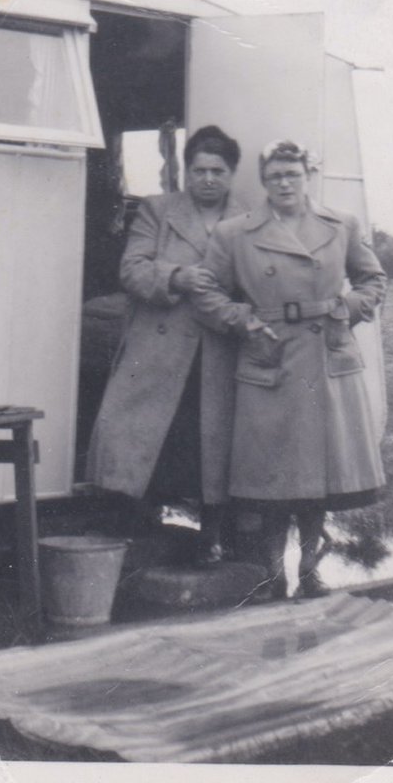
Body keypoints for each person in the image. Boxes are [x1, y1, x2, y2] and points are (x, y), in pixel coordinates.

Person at [192, 138, 387, 599]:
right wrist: (245, 322)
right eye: (275, 175)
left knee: (320, 479)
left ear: (307, 178)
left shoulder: (340, 225)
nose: (284, 183)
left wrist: (348, 309)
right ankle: (272, 573)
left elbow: (373, 278)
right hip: (270, 357)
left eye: (292, 174)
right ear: (263, 181)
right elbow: (206, 293)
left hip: (326, 357)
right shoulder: (234, 233)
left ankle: (312, 571)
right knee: (275, 478)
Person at [86, 125, 244, 563]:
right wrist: (177, 276)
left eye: (217, 170)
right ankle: (139, 530)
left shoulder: (250, 220)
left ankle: (211, 536)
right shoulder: (158, 211)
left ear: (232, 174)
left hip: (217, 350)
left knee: (209, 442)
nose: (208, 179)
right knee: (146, 437)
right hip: (159, 347)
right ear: (186, 172)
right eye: (199, 170)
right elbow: (132, 270)